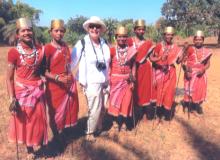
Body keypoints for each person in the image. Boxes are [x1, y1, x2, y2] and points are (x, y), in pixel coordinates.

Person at [6, 17, 48, 158]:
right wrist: (12, 98)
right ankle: (30, 150)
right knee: (27, 121)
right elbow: (9, 78)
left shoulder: (40, 50)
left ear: (32, 32)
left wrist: (45, 78)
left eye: (29, 30)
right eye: (23, 31)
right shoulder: (14, 53)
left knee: (38, 119)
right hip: (22, 91)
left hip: (37, 90)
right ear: (18, 34)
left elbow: (43, 70)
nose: (26, 33)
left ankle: (39, 142)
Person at [71, 16, 110, 141]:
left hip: (104, 80)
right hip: (91, 82)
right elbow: (71, 62)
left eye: (97, 26)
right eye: (92, 26)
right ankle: (89, 132)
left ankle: (99, 127)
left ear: (101, 29)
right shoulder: (82, 43)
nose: (94, 29)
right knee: (95, 108)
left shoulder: (105, 43)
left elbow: (108, 62)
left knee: (103, 107)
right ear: (88, 28)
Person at [44, 19, 79, 144]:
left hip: (67, 84)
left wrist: (70, 76)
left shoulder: (65, 46)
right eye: (56, 31)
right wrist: (58, 78)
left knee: (67, 110)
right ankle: (56, 137)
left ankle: (63, 132)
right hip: (54, 86)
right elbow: (44, 71)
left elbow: (68, 65)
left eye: (61, 31)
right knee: (54, 112)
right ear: (50, 32)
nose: (59, 33)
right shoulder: (47, 49)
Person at [150, 26, 183, 120]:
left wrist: (182, 54)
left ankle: (167, 113)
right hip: (159, 71)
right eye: (167, 34)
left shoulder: (176, 47)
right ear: (164, 35)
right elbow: (152, 59)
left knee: (169, 93)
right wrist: (160, 59)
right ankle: (159, 112)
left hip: (171, 73)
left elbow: (178, 62)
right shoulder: (159, 46)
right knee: (159, 92)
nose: (169, 36)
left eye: (171, 35)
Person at [108, 26, 137, 131]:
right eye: (120, 36)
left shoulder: (131, 50)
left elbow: (134, 65)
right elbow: (108, 65)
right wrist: (108, 80)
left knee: (126, 102)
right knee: (115, 102)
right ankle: (115, 121)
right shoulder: (111, 50)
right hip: (115, 81)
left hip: (127, 80)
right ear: (116, 37)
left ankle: (124, 122)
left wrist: (133, 77)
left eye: (124, 36)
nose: (122, 39)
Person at [127, 19, 155, 120]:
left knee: (145, 89)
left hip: (145, 68)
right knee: (135, 89)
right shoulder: (129, 41)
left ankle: (147, 110)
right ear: (134, 30)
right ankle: (136, 110)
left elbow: (151, 58)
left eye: (143, 29)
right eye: (139, 29)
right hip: (133, 69)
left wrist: (160, 58)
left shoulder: (148, 43)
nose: (141, 31)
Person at [181, 30, 212, 114]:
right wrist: (186, 70)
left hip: (201, 74)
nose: (198, 41)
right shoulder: (189, 49)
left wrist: (203, 69)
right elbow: (183, 62)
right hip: (190, 73)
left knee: (199, 91)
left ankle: (196, 106)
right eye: (196, 39)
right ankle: (187, 105)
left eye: (200, 39)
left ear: (203, 40)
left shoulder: (207, 51)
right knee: (189, 91)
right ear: (194, 40)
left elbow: (208, 64)